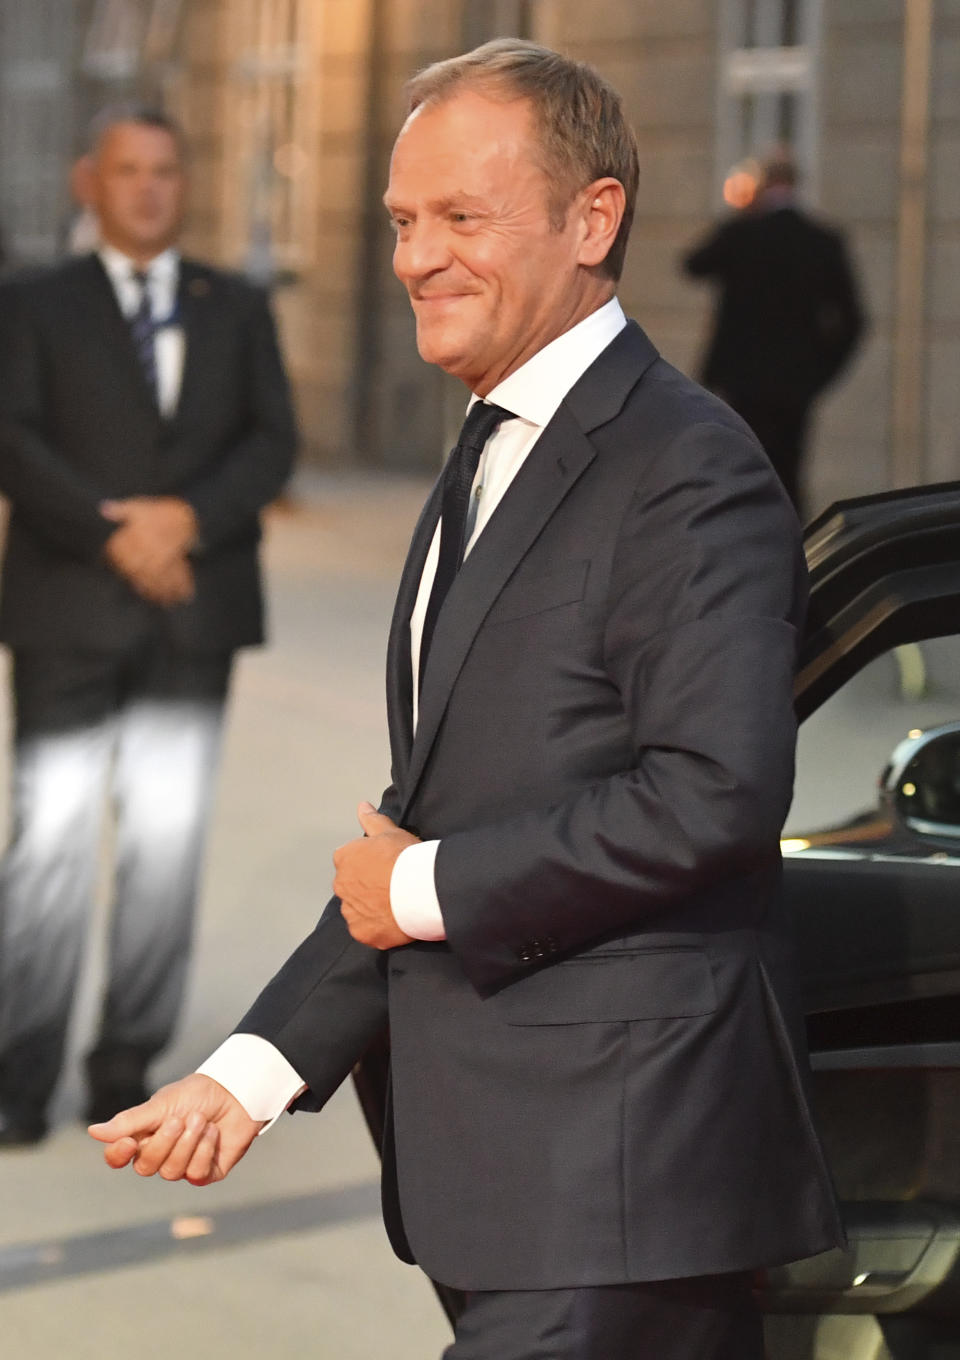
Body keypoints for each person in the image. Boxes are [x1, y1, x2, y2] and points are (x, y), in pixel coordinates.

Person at [90, 43, 842, 1359]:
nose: (414, 257)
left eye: (459, 219)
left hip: (621, 1197)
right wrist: (251, 1073)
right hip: (513, 1199)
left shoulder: (687, 468)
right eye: (399, 221)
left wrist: (427, 886)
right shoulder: (495, 443)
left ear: (590, 219)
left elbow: (713, 796)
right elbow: (429, 820)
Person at [0, 105, 297, 1145]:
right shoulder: (33, 301)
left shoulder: (237, 305)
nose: (148, 188)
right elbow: (15, 435)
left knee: (165, 850)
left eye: (166, 170)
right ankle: (17, 1076)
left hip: (192, 616)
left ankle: (124, 1058)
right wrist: (110, 533)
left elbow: (273, 442)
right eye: (128, 170)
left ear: (185, 179)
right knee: (47, 847)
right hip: (66, 608)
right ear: (91, 179)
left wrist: (184, 522)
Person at [682, 151, 865, 514]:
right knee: (787, 478)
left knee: (735, 472)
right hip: (794, 386)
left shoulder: (743, 232)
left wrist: (739, 212)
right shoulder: (822, 240)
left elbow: (694, 264)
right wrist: (820, 373)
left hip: (739, 380)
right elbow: (853, 321)